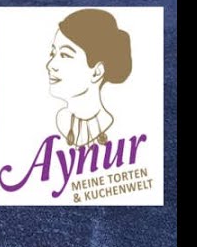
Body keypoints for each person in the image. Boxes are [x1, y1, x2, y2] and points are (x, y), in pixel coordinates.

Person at [44, 9, 132, 147]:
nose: (50, 65)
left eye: (65, 55)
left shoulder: (112, 122)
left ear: (97, 72)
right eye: (52, 53)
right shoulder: (58, 119)